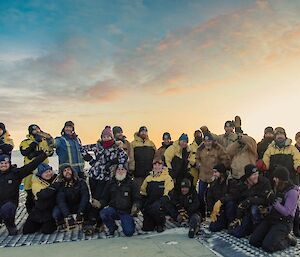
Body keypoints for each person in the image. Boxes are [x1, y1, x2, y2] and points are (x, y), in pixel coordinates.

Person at [80, 126, 128, 230]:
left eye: (108, 136)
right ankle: (96, 221)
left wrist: (115, 164)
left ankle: (97, 221)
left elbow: (124, 157)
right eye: (104, 136)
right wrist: (90, 160)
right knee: (94, 198)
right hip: (94, 176)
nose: (105, 138)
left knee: (101, 199)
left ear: (111, 137)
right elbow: (82, 148)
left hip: (106, 178)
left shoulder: (116, 148)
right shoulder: (98, 146)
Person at [249, 166, 300, 252]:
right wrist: (267, 209)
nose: (274, 179)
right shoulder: (278, 188)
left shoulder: (292, 193)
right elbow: (274, 204)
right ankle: (272, 235)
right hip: (272, 219)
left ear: (281, 179)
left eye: (276, 177)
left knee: (268, 247)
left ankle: (288, 240)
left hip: (283, 222)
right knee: (254, 241)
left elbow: (287, 212)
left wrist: (274, 202)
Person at [0, 152, 47, 235]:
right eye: (1, 163)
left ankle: (10, 225)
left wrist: (44, 155)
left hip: (10, 202)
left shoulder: (15, 173)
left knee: (7, 209)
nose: (3, 165)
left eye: (6, 163)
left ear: (9, 164)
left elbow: (31, 166)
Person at [228, 164, 272, 238]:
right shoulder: (242, 183)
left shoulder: (264, 182)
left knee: (254, 209)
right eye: (254, 175)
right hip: (244, 209)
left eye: (257, 174)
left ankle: (257, 229)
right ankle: (236, 223)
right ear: (248, 177)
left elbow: (265, 199)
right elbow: (234, 195)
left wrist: (249, 200)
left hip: (258, 208)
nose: (256, 176)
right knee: (237, 233)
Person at [19, 124, 54, 214]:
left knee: (45, 191)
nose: (37, 131)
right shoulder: (25, 142)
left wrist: (49, 142)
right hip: (30, 171)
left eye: (38, 129)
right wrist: (35, 143)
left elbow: (49, 153)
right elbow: (25, 152)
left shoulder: (44, 141)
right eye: (34, 130)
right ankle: (31, 213)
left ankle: (46, 211)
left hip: (43, 171)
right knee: (30, 194)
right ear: (30, 131)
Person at [99, 164, 140, 237]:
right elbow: (105, 198)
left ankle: (131, 223)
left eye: (122, 169)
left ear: (126, 171)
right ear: (115, 171)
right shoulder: (110, 183)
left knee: (129, 232)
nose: (120, 171)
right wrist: (99, 203)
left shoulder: (132, 183)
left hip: (126, 212)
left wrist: (136, 206)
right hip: (114, 209)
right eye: (118, 169)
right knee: (104, 213)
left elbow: (137, 198)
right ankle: (112, 227)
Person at [196, 133, 230, 218]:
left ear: (212, 141)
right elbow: (197, 158)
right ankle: (202, 214)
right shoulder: (200, 149)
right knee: (201, 195)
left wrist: (221, 170)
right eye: (205, 141)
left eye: (209, 141)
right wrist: (198, 163)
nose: (207, 143)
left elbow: (225, 159)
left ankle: (214, 213)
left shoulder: (218, 149)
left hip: (214, 177)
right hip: (203, 176)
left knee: (212, 196)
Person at [23, 163, 59, 234]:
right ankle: (39, 224)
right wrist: (53, 187)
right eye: (45, 172)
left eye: (49, 171)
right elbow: (42, 195)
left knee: (47, 230)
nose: (48, 174)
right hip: (39, 209)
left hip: (51, 208)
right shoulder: (36, 183)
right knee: (27, 230)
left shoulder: (56, 179)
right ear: (40, 174)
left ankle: (52, 222)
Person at [140, 157, 174, 233]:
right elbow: (143, 191)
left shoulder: (167, 177)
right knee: (147, 228)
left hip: (161, 205)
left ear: (162, 166)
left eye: (159, 164)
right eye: (155, 164)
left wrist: (159, 203)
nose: (157, 166)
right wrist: (142, 205)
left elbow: (168, 193)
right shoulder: (148, 178)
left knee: (156, 208)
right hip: (150, 204)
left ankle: (161, 223)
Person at [53, 165, 90, 230]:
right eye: (64, 171)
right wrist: (68, 215)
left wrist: (80, 212)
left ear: (72, 171)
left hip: (78, 205)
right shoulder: (60, 185)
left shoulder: (81, 182)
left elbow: (85, 197)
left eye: (68, 170)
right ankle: (61, 224)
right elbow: (61, 201)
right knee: (56, 212)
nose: (67, 172)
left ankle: (86, 222)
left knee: (88, 205)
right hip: (67, 207)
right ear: (62, 174)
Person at [208, 164, 239, 232]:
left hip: (228, 208)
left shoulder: (230, 181)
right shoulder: (214, 183)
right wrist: (212, 211)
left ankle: (230, 222)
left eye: (216, 172)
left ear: (221, 173)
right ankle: (222, 222)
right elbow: (209, 197)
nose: (214, 174)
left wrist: (221, 201)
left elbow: (233, 195)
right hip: (219, 210)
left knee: (231, 203)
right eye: (213, 172)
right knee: (213, 228)